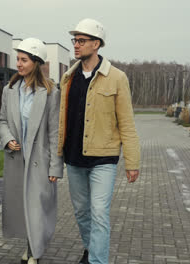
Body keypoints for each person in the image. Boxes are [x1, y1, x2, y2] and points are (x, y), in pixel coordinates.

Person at [57, 19, 140, 264]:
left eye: (81, 41)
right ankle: (90, 249)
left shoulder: (116, 78)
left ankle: (97, 261)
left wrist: (132, 162)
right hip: (73, 158)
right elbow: (62, 120)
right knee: (82, 213)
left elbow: (126, 122)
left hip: (104, 159)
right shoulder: (68, 78)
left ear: (96, 44)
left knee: (100, 214)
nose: (76, 45)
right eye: (75, 40)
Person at [0, 37, 63, 264]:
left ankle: (33, 253)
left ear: (36, 62)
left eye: (24, 60)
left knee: (36, 210)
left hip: (39, 161)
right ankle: (29, 248)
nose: (19, 64)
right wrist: (8, 139)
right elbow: (3, 121)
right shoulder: (10, 89)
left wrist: (55, 165)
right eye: (17, 59)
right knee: (22, 208)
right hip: (17, 159)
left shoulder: (51, 92)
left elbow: (55, 131)